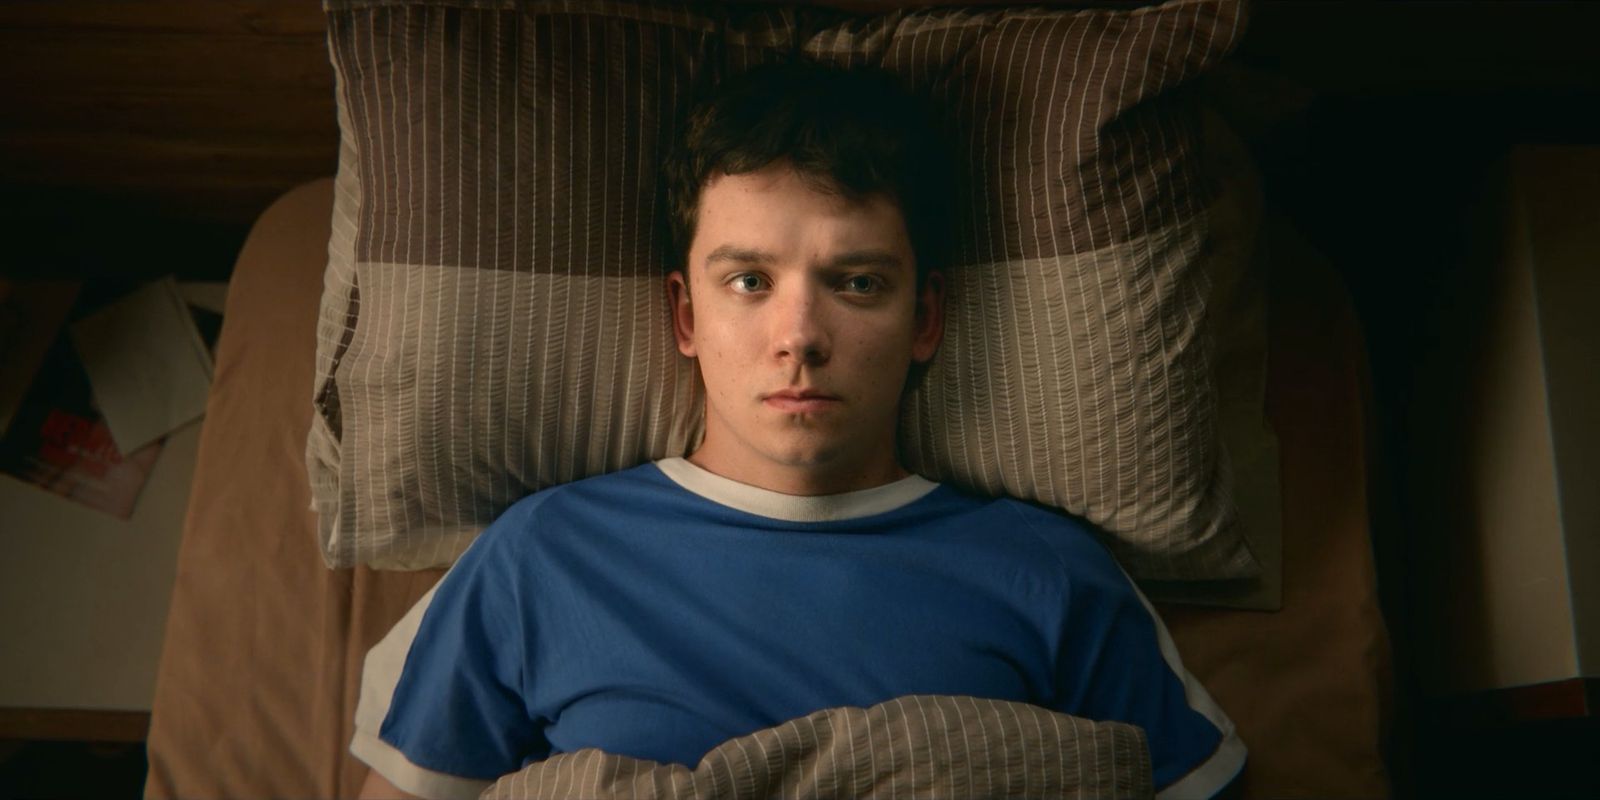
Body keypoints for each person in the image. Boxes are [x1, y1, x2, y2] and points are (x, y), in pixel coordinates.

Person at [353, 61, 1245, 800]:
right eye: (749, 281)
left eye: (856, 282)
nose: (801, 337)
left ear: (925, 319)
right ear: (685, 315)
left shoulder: (1052, 573)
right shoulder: (538, 558)